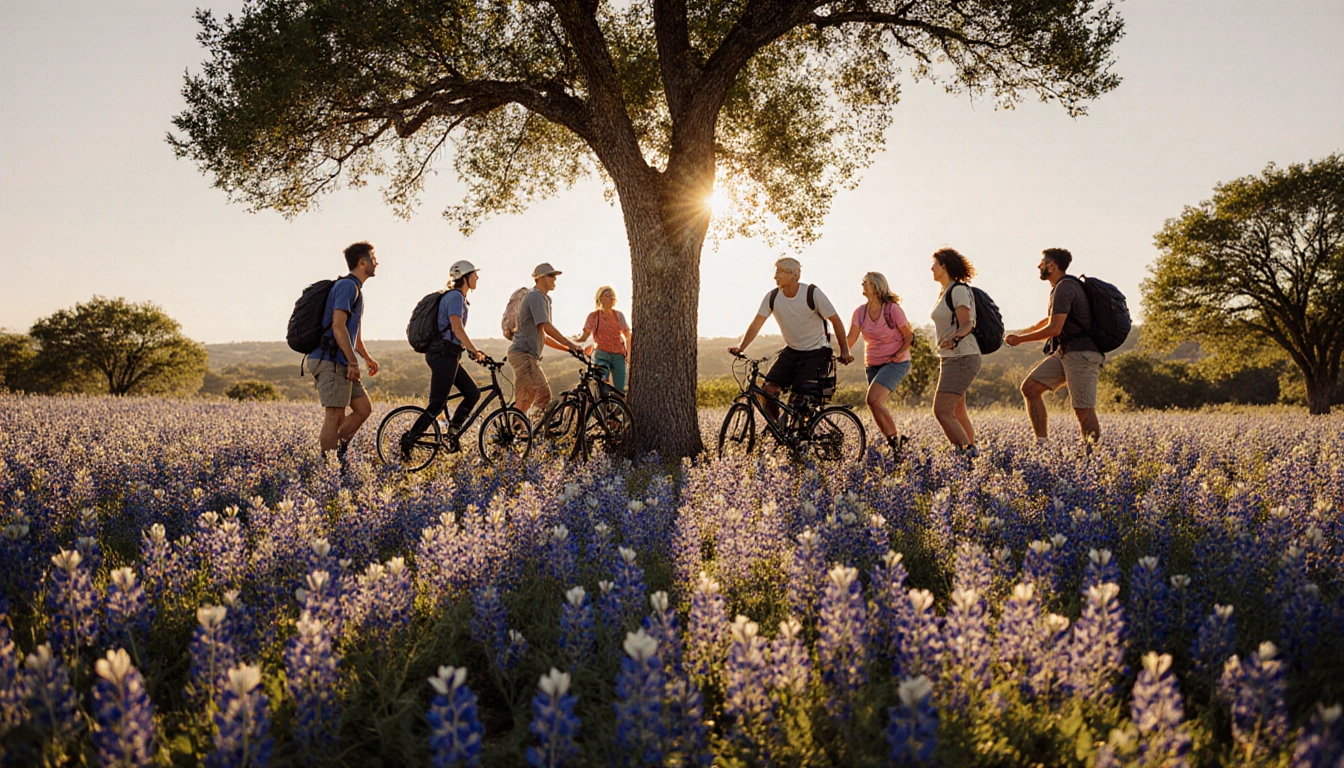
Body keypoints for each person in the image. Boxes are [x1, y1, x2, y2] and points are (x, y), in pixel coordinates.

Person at [728, 257, 852, 420]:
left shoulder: (811, 293)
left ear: (794, 275)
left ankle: (800, 435)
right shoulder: (772, 297)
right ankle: (778, 429)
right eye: (776, 271)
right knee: (768, 391)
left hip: (816, 353)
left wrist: (844, 351)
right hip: (791, 352)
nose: (775, 276)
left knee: (799, 400)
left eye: (780, 272)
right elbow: (756, 324)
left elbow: (835, 321)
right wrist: (741, 347)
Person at [1006, 248, 1104, 446]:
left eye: (1043, 262)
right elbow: (1054, 318)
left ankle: (1091, 457)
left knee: (1083, 408)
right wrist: (1029, 329)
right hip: (1066, 352)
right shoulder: (1062, 287)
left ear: (1053, 265)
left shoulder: (1064, 287)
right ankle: (1042, 444)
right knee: (1030, 388)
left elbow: (1055, 327)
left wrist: (1021, 339)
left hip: (1082, 354)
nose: (1039, 266)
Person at [401, 260, 487, 458]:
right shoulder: (455, 297)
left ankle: (453, 433)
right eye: (474, 274)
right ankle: (410, 441)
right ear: (464, 278)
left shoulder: (459, 298)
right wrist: (474, 351)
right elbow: (457, 328)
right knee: (437, 404)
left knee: (472, 392)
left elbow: (454, 332)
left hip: (449, 354)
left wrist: (467, 350)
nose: (477, 278)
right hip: (443, 355)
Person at [310, 241, 380, 462]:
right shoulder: (347, 287)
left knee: (363, 408)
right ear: (362, 262)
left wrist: (366, 358)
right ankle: (328, 468)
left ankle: (335, 450)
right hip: (330, 359)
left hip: (341, 359)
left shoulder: (356, 290)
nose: (377, 262)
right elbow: (338, 325)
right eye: (373, 258)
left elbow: (353, 334)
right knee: (335, 415)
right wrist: (352, 362)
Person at [845, 271, 914, 456]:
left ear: (875, 286)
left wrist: (900, 353)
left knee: (872, 399)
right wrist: (842, 352)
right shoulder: (860, 312)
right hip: (873, 363)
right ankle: (893, 443)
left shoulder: (892, 310)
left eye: (865, 282)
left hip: (895, 362)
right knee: (874, 404)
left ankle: (896, 442)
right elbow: (851, 338)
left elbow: (908, 335)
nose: (862, 285)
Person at [507, 262, 586, 420]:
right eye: (551, 276)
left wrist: (567, 348)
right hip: (524, 354)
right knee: (541, 394)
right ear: (540, 278)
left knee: (527, 398)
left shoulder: (543, 298)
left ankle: (519, 431)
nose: (554, 279)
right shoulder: (536, 296)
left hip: (527, 355)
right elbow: (546, 326)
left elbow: (543, 334)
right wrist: (570, 343)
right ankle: (529, 430)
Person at [928, 247, 981, 460]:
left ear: (944, 266)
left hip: (962, 357)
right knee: (958, 413)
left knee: (941, 411)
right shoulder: (945, 291)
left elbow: (967, 323)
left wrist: (954, 338)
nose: (931, 268)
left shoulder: (958, 290)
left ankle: (966, 456)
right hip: (951, 359)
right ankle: (972, 458)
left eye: (935, 264)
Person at [574, 286, 632, 391]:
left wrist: (629, 354)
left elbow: (628, 335)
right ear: (600, 298)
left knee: (619, 390)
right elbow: (585, 336)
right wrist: (572, 342)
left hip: (619, 355)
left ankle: (615, 407)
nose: (611, 298)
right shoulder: (594, 316)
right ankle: (600, 406)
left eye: (613, 296)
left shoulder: (619, 315)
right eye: (608, 296)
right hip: (601, 355)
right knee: (602, 387)